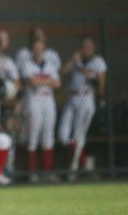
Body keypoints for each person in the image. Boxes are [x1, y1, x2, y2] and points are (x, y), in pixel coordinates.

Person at [58, 37, 107, 180]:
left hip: (86, 97)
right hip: (72, 97)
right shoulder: (76, 59)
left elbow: (101, 81)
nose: (85, 48)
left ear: (93, 48)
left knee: (78, 134)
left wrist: (100, 97)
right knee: (62, 134)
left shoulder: (97, 61)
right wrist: (74, 60)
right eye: (83, 46)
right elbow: (62, 72)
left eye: (88, 46)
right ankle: (85, 163)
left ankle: (73, 169)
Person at [19, 39, 61, 182]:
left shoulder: (50, 64)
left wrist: (41, 81)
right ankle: (32, 173)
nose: (38, 51)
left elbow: (57, 83)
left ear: (44, 50)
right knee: (33, 136)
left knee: (48, 136)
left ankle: (47, 172)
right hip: (33, 100)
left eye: (40, 49)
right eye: (35, 49)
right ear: (32, 50)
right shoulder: (27, 64)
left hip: (48, 100)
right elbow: (32, 82)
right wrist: (48, 81)